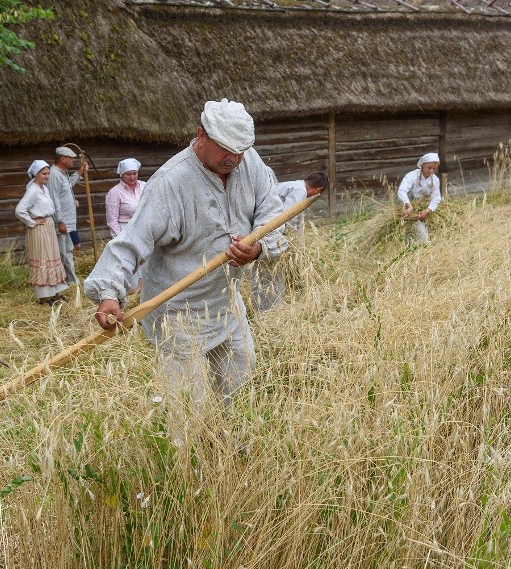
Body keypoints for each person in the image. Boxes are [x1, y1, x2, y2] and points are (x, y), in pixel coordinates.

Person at [84, 98, 287, 446]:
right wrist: (108, 293)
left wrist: (258, 249)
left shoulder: (246, 160)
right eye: (227, 151)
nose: (234, 160)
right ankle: (184, 472)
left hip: (226, 301)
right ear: (201, 136)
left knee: (241, 386)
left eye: (241, 151)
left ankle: (237, 455)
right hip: (179, 313)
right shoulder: (170, 182)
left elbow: (272, 208)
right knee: (185, 407)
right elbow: (130, 242)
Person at [249, 170, 328, 312]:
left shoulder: (295, 186)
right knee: (271, 273)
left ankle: (268, 306)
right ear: (318, 190)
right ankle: (270, 309)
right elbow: (287, 217)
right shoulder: (300, 192)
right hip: (270, 235)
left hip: (263, 229)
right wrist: (291, 241)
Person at [15, 160, 69, 305]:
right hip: (39, 229)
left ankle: (55, 293)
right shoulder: (32, 190)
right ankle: (44, 297)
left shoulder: (43, 188)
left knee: (52, 258)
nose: (47, 176)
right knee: (43, 259)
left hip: (48, 226)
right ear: (36, 174)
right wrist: (32, 222)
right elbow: (20, 210)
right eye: (44, 174)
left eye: (48, 173)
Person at [48, 146, 88, 287]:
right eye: (70, 158)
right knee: (62, 253)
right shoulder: (53, 174)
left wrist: (79, 173)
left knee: (68, 251)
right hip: (62, 221)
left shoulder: (63, 173)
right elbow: (54, 199)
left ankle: (71, 281)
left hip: (68, 221)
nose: (72, 160)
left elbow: (67, 188)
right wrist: (60, 221)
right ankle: (61, 281)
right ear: (63, 159)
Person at [105, 158, 146, 292]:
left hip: (144, 226)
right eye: (128, 174)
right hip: (125, 229)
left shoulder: (145, 186)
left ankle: (146, 287)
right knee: (131, 260)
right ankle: (133, 290)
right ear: (121, 174)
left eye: (135, 173)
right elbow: (112, 220)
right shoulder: (115, 192)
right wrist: (120, 238)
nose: (132, 177)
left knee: (146, 258)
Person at [397, 152, 443, 245]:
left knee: (428, 233)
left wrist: (427, 210)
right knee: (414, 233)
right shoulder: (411, 176)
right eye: (429, 168)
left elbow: (436, 197)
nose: (431, 171)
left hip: (424, 209)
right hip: (409, 209)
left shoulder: (435, 180)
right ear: (422, 165)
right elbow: (401, 191)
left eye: (434, 169)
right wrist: (409, 206)